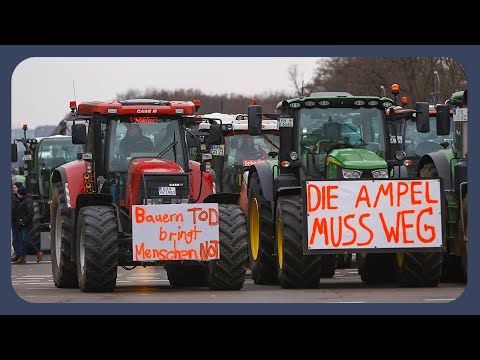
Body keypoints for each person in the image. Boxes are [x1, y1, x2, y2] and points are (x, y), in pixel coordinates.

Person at [12, 186, 44, 264]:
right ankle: (22, 258)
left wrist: (24, 221)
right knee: (21, 241)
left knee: (24, 240)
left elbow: (30, 213)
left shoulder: (27, 200)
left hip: (25, 224)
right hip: (19, 224)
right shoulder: (18, 200)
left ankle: (37, 252)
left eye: (18, 193)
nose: (17, 194)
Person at [11, 182, 23, 262]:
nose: (14, 189)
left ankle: (37, 252)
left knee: (22, 238)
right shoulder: (14, 197)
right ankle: (18, 254)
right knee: (15, 238)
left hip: (19, 221)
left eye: (15, 187)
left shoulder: (21, 198)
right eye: (13, 187)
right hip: (14, 220)